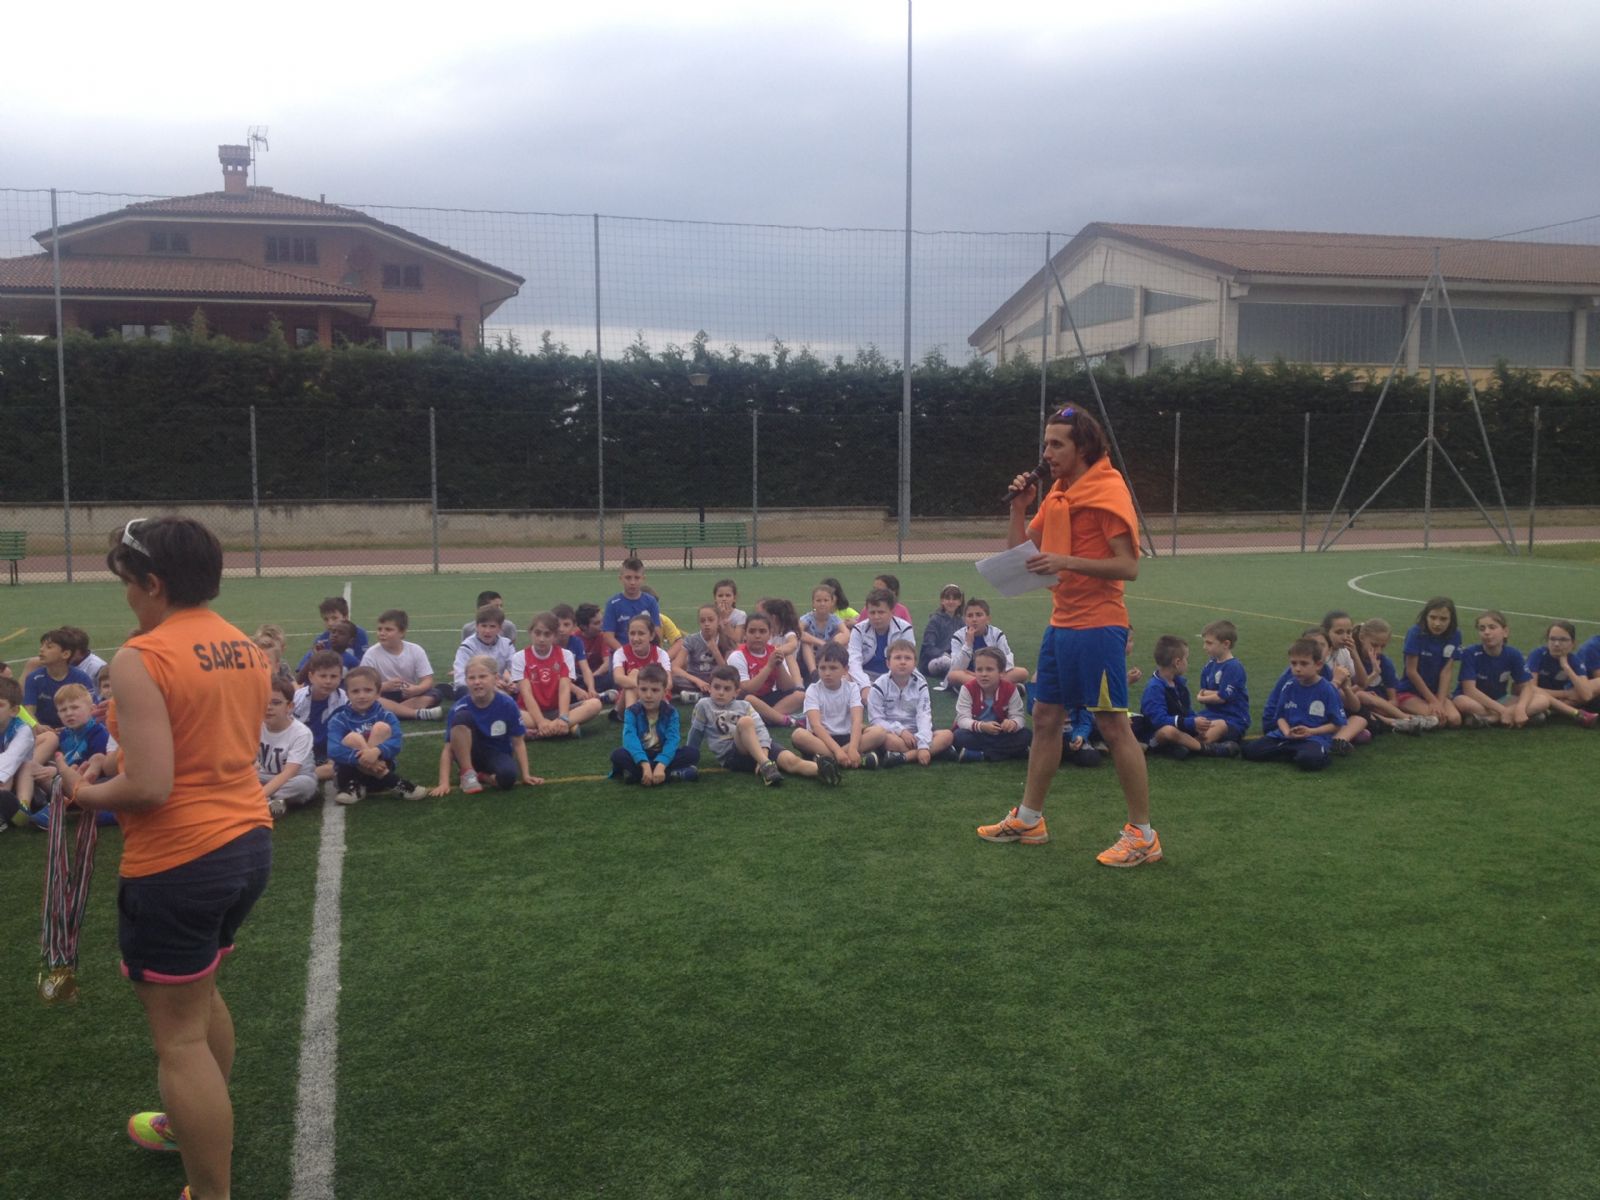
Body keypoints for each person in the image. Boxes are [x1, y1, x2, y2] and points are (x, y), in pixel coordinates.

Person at [52, 516, 272, 1200]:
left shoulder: (140, 656)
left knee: (178, 1038)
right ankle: (198, 1121)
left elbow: (150, 787)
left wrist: (84, 791)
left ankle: (209, 1188)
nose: (125, 596)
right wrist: (114, 761)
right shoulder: (243, 646)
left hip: (180, 859)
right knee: (202, 996)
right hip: (247, 844)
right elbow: (199, 738)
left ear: (153, 583)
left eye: (127, 582)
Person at [976, 405, 1160, 866]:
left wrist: (1065, 561)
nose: (1047, 453)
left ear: (1084, 448)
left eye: (1057, 444)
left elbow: (1129, 566)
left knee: (1113, 725)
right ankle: (1029, 819)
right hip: (1062, 624)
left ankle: (1143, 835)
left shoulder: (1106, 492)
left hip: (1100, 626)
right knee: (1044, 718)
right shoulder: (1059, 492)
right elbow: (1022, 555)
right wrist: (1019, 508)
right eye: (1046, 443)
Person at [685, 665, 837, 786]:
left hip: (761, 746)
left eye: (727, 689)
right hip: (733, 754)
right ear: (710, 688)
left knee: (791, 761)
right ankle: (766, 765)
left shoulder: (744, 705)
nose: (720, 692)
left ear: (736, 692)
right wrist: (689, 758)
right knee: (745, 722)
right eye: (716, 687)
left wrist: (764, 753)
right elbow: (696, 733)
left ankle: (822, 770)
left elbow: (760, 729)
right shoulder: (704, 705)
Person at [432, 655, 544, 794]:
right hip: (470, 753)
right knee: (462, 717)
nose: (477, 682)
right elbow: (449, 749)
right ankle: (467, 772)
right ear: (466, 681)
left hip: (497, 753)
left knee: (508, 778)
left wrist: (526, 775)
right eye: (471, 678)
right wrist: (443, 783)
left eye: (483, 676)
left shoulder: (507, 704)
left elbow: (518, 742)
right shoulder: (459, 707)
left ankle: (480, 776)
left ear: (496, 678)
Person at [325, 667, 428, 805]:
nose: (362, 695)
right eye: (355, 691)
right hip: (350, 778)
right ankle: (393, 782)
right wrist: (366, 760)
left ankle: (374, 779)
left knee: (381, 727)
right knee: (353, 737)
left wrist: (376, 751)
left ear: (378, 693)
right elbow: (333, 750)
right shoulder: (339, 719)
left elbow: (396, 743)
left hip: (380, 772)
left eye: (368, 690)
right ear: (347, 694)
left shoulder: (386, 715)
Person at [1241, 638, 1347, 771]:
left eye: (1304, 664)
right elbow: (1280, 717)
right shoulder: (1289, 686)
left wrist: (1311, 731)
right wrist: (1287, 732)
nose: (1297, 669)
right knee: (1249, 751)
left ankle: (1307, 754)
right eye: (1293, 663)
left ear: (1318, 665)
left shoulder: (1327, 689)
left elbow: (1337, 724)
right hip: (1285, 736)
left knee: (1309, 760)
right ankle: (1291, 752)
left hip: (1313, 738)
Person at [1134, 635, 1237, 760]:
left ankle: (1185, 746)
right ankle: (1206, 749)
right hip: (1156, 737)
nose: (1187, 662)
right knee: (1169, 731)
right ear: (1177, 663)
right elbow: (1158, 720)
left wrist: (1196, 722)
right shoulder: (1154, 687)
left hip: (1182, 729)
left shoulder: (1179, 683)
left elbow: (1187, 711)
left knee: (1220, 724)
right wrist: (1190, 723)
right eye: (1186, 659)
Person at [864, 639, 953, 767]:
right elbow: (876, 720)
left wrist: (922, 744)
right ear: (888, 663)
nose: (903, 662)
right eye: (897, 658)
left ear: (914, 663)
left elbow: (924, 715)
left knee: (947, 735)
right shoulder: (878, 686)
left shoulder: (921, 684)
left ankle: (905, 757)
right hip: (894, 734)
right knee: (886, 739)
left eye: (908, 658)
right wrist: (900, 731)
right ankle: (935, 751)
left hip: (917, 734)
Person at [513, 611, 601, 738]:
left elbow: (564, 689)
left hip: (558, 711)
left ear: (554, 636)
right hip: (529, 713)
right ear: (530, 632)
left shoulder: (565, 655)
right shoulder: (520, 657)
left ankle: (541, 732)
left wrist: (563, 717)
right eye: (537, 633)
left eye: (547, 634)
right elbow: (526, 693)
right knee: (509, 712)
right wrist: (540, 721)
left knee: (595, 704)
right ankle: (562, 728)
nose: (541, 639)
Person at [609, 664, 698, 785]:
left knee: (692, 753)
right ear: (637, 689)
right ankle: (671, 774)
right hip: (640, 755)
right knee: (617, 754)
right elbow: (630, 739)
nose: (648, 695)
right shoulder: (631, 712)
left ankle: (637, 774)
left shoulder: (671, 713)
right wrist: (644, 764)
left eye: (655, 690)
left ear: (664, 692)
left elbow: (672, 740)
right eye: (643, 689)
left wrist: (661, 764)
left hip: (662, 754)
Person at [791, 643, 869, 769]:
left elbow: (857, 721)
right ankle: (841, 757)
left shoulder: (852, 688)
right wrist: (837, 751)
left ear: (845, 669)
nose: (827, 673)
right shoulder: (813, 690)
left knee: (879, 732)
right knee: (798, 735)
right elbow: (816, 726)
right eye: (822, 668)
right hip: (821, 739)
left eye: (833, 668)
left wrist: (853, 748)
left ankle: (827, 758)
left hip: (847, 737)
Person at [361, 608, 448, 720]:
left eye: (388, 629)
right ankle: (414, 713)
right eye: (379, 629)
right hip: (384, 694)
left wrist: (416, 689)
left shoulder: (415, 650)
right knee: (372, 699)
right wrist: (385, 686)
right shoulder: (371, 654)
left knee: (435, 693)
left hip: (409, 695)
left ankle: (392, 712)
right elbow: (364, 685)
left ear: (402, 632)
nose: (382, 633)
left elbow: (428, 679)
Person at [952, 646, 1032, 763]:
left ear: (1002, 672)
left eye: (989, 669)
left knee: (1026, 735)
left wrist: (1012, 723)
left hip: (1001, 733)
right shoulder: (967, 689)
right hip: (977, 733)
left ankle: (982, 755)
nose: (984, 674)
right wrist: (981, 726)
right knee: (959, 736)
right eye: (979, 670)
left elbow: (1018, 717)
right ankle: (1015, 752)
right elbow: (962, 719)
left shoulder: (1010, 689)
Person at [1453, 610, 1531, 728]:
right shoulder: (1471, 653)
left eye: (1492, 627)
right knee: (1461, 701)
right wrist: (1502, 710)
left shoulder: (1513, 654)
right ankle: (1507, 715)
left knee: (1541, 700)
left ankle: (1489, 719)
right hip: (1475, 701)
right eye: (1482, 629)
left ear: (1505, 632)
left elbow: (1526, 686)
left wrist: (1521, 708)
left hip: (1500, 700)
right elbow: (1469, 690)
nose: (1487, 632)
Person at [726, 611, 804, 725]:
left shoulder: (773, 651)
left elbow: (787, 687)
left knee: (800, 695)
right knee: (750, 699)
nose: (757, 636)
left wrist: (779, 665)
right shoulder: (738, 655)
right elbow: (747, 689)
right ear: (745, 634)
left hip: (766, 697)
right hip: (744, 700)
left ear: (770, 634)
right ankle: (783, 720)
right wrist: (769, 666)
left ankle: (768, 718)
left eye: (762, 631)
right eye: (752, 631)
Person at [1515, 621, 1599, 728]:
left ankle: (1550, 711)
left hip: (1558, 699)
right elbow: (1530, 688)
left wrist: (1566, 667)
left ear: (1573, 643)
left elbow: (1586, 695)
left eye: (1563, 640)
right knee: (1539, 697)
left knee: (1589, 687)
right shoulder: (1538, 654)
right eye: (1552, 639)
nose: (1556, 644)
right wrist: (1565, 694)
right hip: (1536, 697)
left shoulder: (1574, 660)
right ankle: (1577, 714)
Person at [1397, 596, 1464, 729]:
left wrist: (1440, 701)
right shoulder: (1415, 633)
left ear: (1451, 620)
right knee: (1438, 719)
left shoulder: (1455, 635)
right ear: (1425, 617)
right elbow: (1411, 671)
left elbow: (1446, 671)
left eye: (1443, 619)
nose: (1437, 623)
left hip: (1435, 692)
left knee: (1455, 720)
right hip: (1410, 691)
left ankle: (1422, 713)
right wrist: (1433, 701)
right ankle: (1404, 716)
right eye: (1432, 617)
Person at [257, 676, 318, 817]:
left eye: (276, 703)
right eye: (264, 701)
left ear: (289, 706)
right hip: (265, 776)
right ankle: (273, 804)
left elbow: (289, 772)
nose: (268, 707)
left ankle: (262, 802)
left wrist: (257, 796)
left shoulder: (301, 733)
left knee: (305, 785)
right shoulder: (255, 725)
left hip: (293, 779)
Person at [292, 651, 348, 801]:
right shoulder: (297, 699)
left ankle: (302, 776)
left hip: (329, 752)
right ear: (311, 677)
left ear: (340, 677)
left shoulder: (344, 699)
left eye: (333, 676)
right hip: (302, 752)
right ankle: (300, 776)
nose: (328, 681)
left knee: (341, 766)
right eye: (323, 676)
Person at [943, 598, 1029, 691]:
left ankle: (977, 689)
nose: (974, 619)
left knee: (1023, 672)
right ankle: (1003, 689)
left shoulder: (997, 634)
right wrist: (968, 645)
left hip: (993, 674)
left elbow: (1007, 659)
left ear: (988, 619)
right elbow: (956, 666)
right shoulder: (958, 636)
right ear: (965, 620)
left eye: (979, 615)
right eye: (970, 616)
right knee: (953, 675)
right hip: (969, 674)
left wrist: (992, 674)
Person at [847, 587, 914, 690]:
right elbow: (853, 661)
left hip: (894, 677)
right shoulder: (858, 630)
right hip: (865, 675)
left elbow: (907, 660)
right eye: (872, 612)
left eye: (881, 612)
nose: (876, 617)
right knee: (843, 680)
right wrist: (865, 686)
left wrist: (884, 686)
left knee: (915, 681)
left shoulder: (904, 629)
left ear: (892, 611)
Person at [1196, 619, 1250, 746]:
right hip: (1210, 715)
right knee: (1192, 721)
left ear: (1226, 644)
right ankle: (1189, 743)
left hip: (1233, 720)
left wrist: (1202, 697)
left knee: (1217, 727)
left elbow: (1221, 698)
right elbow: (1204, 690)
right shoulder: (1210, 664)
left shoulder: (1233, 667)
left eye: (1209, 643)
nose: (1204, 647)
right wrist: (1211, 694)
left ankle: (1197, 746)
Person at [610, 613, 674, 717]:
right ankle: (633, 720)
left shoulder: (660, 654)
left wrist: (647, 688)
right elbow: (618, 678)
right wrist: (643, 686)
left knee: (636, 678)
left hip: (656, 698)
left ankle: (634, 720)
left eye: (641, 633)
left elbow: (669, 683)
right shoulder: (621, 653)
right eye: (632, 633)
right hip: (627, 700)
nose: (635, 638)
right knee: (634, 675)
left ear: (651, 636)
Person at [450, 604, 515, 693]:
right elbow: (460, 680)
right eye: (484, 626)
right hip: (476, 688)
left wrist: (511, 683)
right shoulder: (467, 647)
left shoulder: (507, 644)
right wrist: (490, 685)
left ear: (500, 628)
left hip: (500, 687)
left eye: (492, 626)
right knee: (463, 690)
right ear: (477, 626)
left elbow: (515, 671)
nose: (487, 631)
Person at [0, 675, 38, 828]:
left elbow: (11, 758)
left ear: (14, 710)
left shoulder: (22, 730)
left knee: (25, 766)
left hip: (16, 775)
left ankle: (23, 808)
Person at [603, 559, 661, 652]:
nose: (632, 582)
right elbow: (608, 636)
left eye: (637, 578)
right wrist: (626, 653)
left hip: (645, 653)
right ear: (621, 578)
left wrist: (649, 653)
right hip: (621, 654)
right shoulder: (613, 604)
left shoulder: (651, 602)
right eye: (628, 578)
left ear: (643, 579)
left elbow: (656, 632)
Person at [670, 605, 725, 701]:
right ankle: (707, 695)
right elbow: (675, 668)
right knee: (672, 680)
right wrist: (697, 681)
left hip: (716, 681)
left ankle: (697, 695)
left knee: (729, 683)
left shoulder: (725, 640)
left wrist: (715, 651)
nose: (706, 624)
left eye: (711, 620)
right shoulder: (691, 640)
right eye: (703, 621)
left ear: (719, 620)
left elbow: (727, 671)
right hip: (693, 680)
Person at [798, 584, 848, 681]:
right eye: (818, 601)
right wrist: (821, 643)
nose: (822, 604)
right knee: (806, 643)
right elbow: (797, 632)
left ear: (832, 602)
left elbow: (846, 634)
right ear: (813, 603)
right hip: (810, 654)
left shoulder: (834, 619)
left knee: (841, 636)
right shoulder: (808, 618)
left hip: (828, 653)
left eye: (826, 600)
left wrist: (830, 645)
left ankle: (838, 667)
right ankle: (814, 673)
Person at [919, 584, 965, 679]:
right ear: (942, 601)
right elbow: (928, 646)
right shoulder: (935, 620)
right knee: (945, 662)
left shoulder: (961, 622)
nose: (951, 602)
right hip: (934, 660)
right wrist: (944, 654)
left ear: (960, 602)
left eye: (954, 599)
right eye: (948, 599)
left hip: (954, 658)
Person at [712, 579, 747, 645]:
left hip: (733, 648)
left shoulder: (740, 615)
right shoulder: (711, 614)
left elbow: (737, 639)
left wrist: (725, 618)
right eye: (720, 596)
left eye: (728, 595)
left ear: (734, 598)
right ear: (715, 598)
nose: (724, 599)